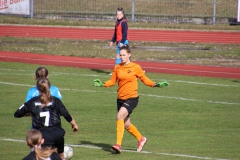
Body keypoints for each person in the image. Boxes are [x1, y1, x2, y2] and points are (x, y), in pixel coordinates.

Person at [93, 45, 169, 153]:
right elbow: (112, 81)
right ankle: (141, 139)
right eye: (120, 55)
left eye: (124, 55)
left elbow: (145, 80)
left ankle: (118, 145)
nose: (122, 57)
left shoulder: (136, 67)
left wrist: (156, 84)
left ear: (129, 55)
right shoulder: (117, 67)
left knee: (119, 116)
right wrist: (102, 84)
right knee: (126, 124)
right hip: (120, 99)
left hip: (132, 98)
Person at [14, 77, 78, 160]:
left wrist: (29, 113)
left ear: (37, 88)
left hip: (43, 135)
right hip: (58, 134)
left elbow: (17, 114)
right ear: (49, 87)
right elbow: (66, 114)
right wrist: (74, 124)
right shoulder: (56, 100)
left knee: (41, 156)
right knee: (61, 156)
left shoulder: (32, 102)